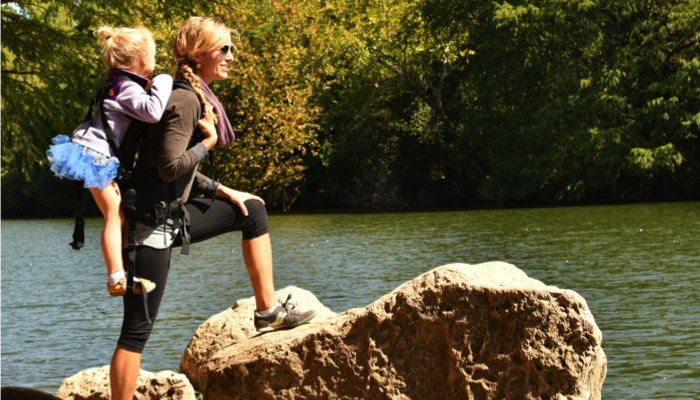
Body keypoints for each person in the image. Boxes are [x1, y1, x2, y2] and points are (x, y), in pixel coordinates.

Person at [109, 17, 316, 400]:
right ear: (200, 54)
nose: (231, 57)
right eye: (224, 49)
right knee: (137, 329)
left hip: (170, 214)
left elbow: (172, 173)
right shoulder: (185, 99)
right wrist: (208, 142)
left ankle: (268, 310)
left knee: (251, 210)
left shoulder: (189, 93)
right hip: (149, 225)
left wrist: (225, 190)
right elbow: (169, 167)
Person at [46, 26, 173, 297]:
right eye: (153, 55)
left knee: (117, 214)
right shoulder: (126, 87)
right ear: (141, 57)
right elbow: (153, 112)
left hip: (95, 154)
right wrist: (164, 81)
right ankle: (116, 278)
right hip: (94, 156)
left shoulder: (118, 84)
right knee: (114, 215)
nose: (155, 61)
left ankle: (121, 275)